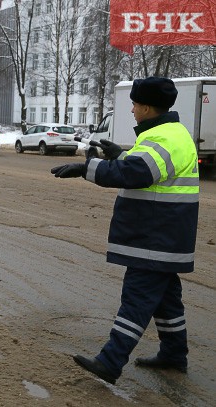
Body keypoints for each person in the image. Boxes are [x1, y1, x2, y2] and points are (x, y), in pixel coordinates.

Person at [51, 76, 199, 385]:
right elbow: (149, 169)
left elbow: (139, 173)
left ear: (146, 107)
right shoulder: (168, 133)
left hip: (155, 236)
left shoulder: (165, 137)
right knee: (166, 300)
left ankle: (110, 361)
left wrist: (87, 168)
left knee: (137, 299)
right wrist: (120, 155)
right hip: (163, 236)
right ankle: (174, 355)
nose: (131, 110)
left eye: (134, 104)